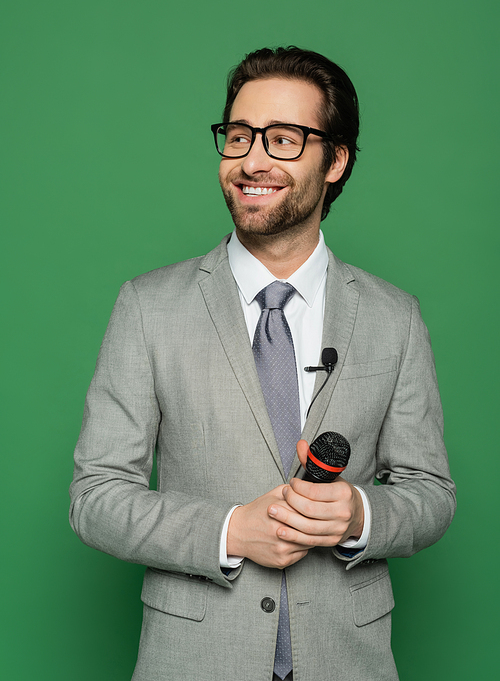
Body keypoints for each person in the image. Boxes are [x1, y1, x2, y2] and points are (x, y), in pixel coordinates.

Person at [70, 46, 456, 681]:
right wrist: (228, 530)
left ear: (335, 160)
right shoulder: (147, 306)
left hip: (348, 661)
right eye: (240, 136)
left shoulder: (396, 317)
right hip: (193, 661)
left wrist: (361, 514)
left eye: (283, 139)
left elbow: (431, 494)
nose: (252, 160)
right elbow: (95, 496)